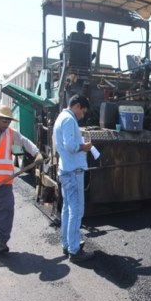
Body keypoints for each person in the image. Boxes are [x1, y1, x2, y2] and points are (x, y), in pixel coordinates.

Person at [0, 106, 43, 253]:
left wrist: (37, 153)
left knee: (6, 211)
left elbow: (24, 141)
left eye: (8, 121)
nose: (6, 124)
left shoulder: (10, 134)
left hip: (5, 182)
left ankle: (2, 241)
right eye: (3, 121)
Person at [53, 95, 95, 263]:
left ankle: (67, 244)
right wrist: (84, 147)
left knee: (67, 209)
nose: (82, 116)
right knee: (76, 210)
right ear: (77, 106)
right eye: (83, 112)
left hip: (65, 169)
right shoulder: (70, 120)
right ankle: (75, 251)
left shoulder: (60, 118)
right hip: (73, 171)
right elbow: (70, 146)